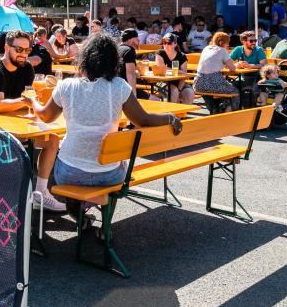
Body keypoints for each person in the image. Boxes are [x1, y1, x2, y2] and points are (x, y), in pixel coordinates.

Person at [32, 32, 182, 199]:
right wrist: (170, 117)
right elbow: (143, 120)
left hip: (69, 172)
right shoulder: (119, 86)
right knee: (119, 166)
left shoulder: (67, 86)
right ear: (113, 61)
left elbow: (46, 116)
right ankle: (106, 220)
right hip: (108, 174)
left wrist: (32, 102)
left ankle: (78, 212)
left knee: (66, 166)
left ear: (85, 58)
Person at [0, 30, 64, 212]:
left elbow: (27, 95)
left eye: (27, 50)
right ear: (6, 48)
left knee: (52, 139)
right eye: (18, 49)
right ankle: (8, 204)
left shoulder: (27, 68)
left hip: (11, 128)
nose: (23, 54)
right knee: (19, 151)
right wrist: (26, 101)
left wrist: (33, 103)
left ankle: (40, 193)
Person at [193, 32, 239, 110]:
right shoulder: (222, 51)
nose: (227, 45)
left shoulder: (206, 48)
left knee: (222, 90)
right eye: (227, 43)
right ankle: (230, 112)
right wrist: (237, 65)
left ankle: (215, 108)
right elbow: (233, 68)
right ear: (222, 42)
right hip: (212, 82)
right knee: (235, 91)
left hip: (198, 83)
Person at [154, 33, 194, 104]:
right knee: (173, 91)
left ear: (175, 44)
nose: (166, 45)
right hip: (162, 82)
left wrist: (179, 89)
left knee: (189, 93)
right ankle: (171, 114)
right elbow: (161, 68)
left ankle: (182, 114)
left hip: (179, 82)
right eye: (164, 43)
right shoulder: (160, 53)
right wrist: (178, 71)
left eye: (169, 43)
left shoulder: (181, 56)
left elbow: (183, 75)